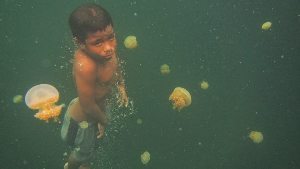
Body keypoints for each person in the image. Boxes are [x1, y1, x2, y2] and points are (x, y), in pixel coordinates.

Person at [61, 3, 128, 169]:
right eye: (98, 42)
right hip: (81, 123)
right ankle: (70, 166)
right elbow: (87, 105)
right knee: (82, 153)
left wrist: (121, 86)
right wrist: (104, 120)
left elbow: (116, 67)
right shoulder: (86, 66)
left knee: (92, 147)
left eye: (111, 37)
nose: (108, 47)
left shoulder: (107, 50)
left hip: (97, 112)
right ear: (80, 42)